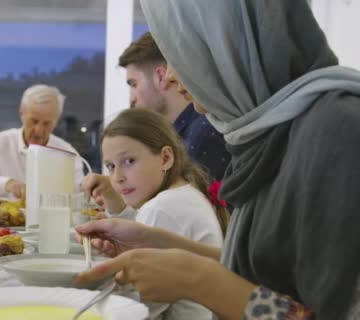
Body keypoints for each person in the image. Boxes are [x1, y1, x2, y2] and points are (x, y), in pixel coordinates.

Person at [75, 0, 360, 319]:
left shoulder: (341, 132)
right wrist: (154, 240)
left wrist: (199, 280)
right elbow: (266, 270)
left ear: (227, 42)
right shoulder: (266, 132)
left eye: (179, 51)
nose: (168, 75)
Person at [82, 108, 227, 319]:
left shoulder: (163, 208)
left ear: (166, 158)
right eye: (111, 166)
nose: (117, 177)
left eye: (129, 161)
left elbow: (132, 308)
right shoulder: (183, 193)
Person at [119, 32, 229, 181]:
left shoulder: (202, 135)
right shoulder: (180, 136)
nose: (131, 99)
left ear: (161, 77)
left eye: (134, 84)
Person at [0, 84, 84, 199]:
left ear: (56, 121)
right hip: (2, 221)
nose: (39, 130)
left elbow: (80, 195)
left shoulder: (68, 153)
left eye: (47, 123)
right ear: (21, 114)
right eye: (34, 121)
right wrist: (6, 184)